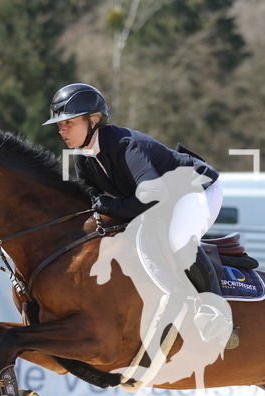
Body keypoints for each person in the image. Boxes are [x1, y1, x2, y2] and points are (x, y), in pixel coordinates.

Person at [43, 82, 233, 344]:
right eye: (59, 125)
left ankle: (217, 314)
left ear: (93, 120)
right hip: (159, 199)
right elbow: (91, 201)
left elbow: (151, 197)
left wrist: (111, 207)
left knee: (177, 238)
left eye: (69, 123)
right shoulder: (83, 156)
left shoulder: (126, 145)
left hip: (194, 189)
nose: (61, 130)